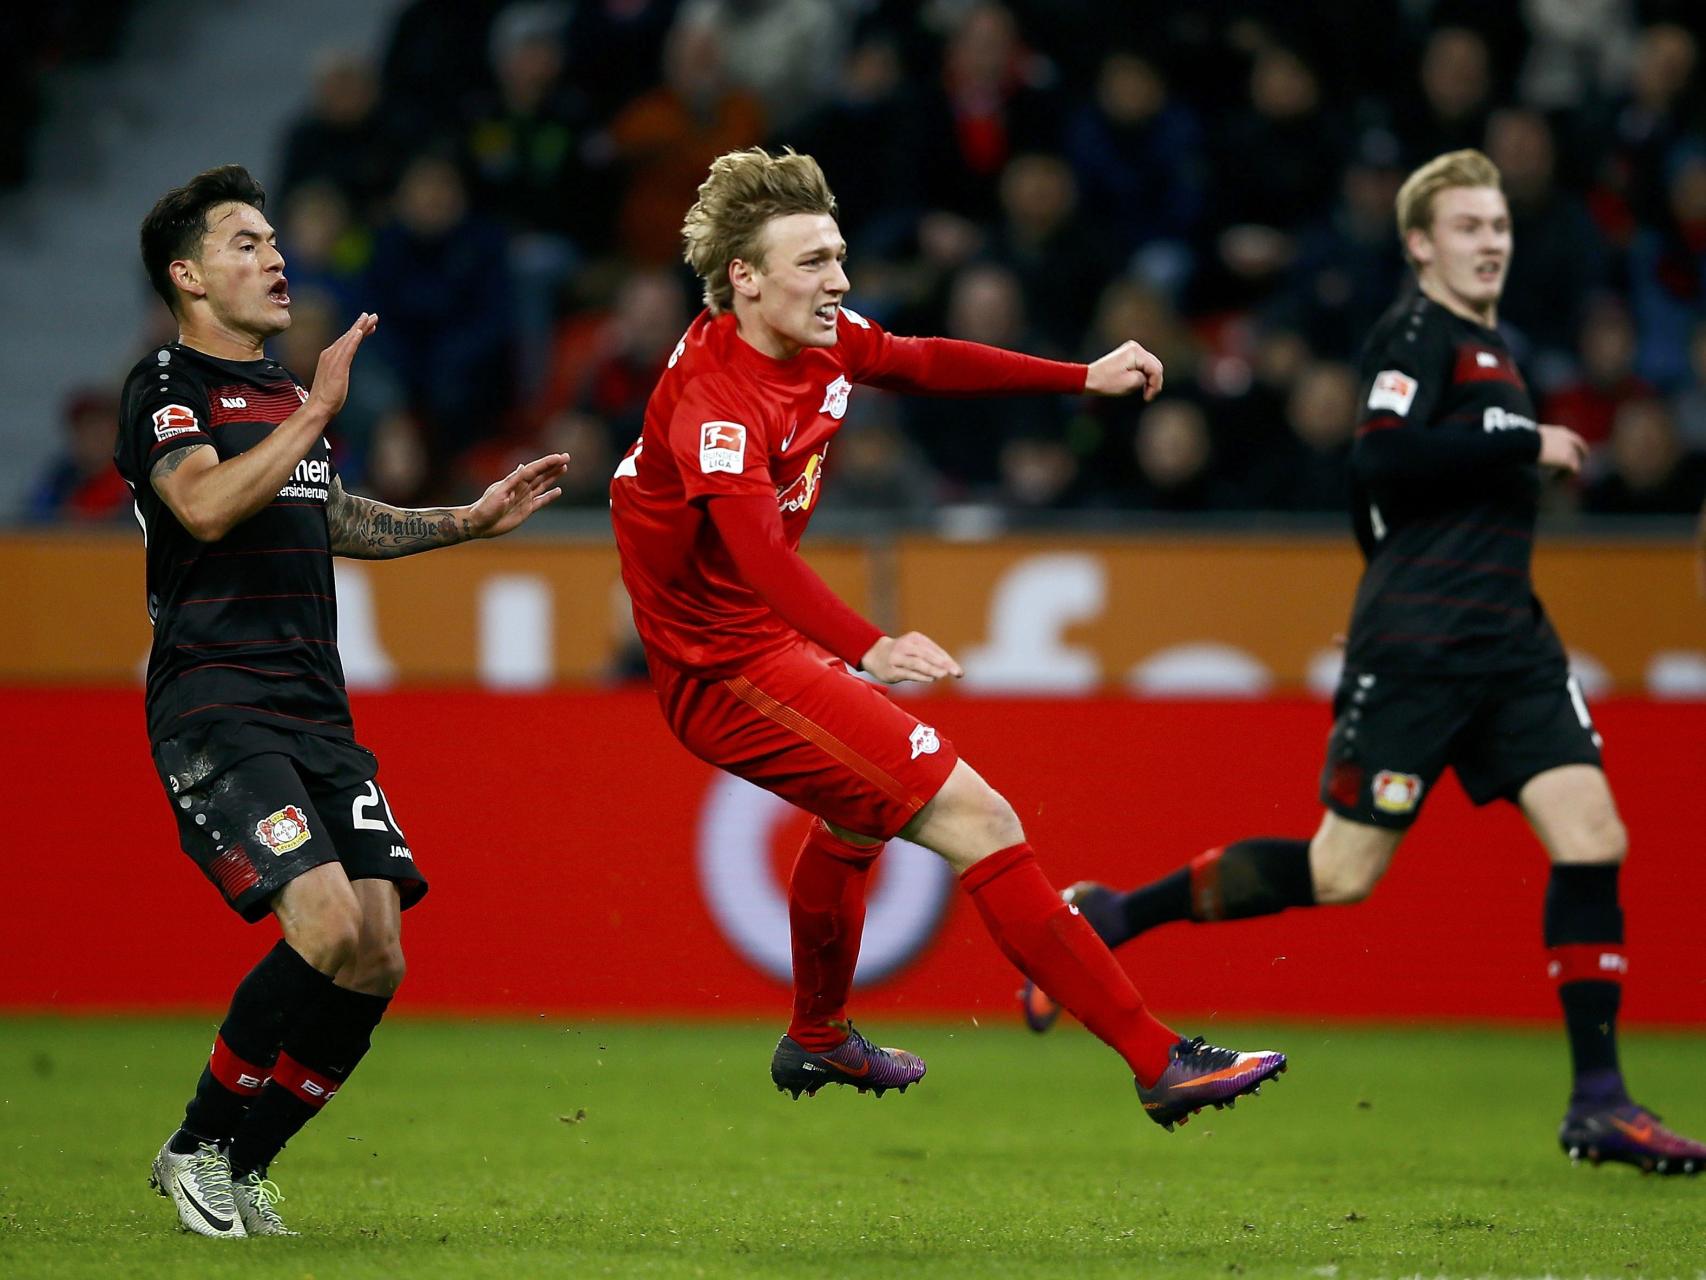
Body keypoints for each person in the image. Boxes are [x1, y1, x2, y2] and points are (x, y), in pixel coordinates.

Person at [1019, 149, 1706, 1178]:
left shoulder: (1494, 346)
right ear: (1419, 244)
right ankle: (1112, 914)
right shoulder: (1415, 335)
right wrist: (1517, 444)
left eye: (1498, 226)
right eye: (1467, 227)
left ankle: (1598, 1100)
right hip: (1425, 646)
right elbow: (1378, 455)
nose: (1490, 242)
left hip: (1510, 641)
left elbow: (1388, 493)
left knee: (1591, 831)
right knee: (1342, 871)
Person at [609, 147, 1287, 1132]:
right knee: (979, 817)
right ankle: (1156, 1057)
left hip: (754, 648)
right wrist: (869, 643)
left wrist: (1078, 376)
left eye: (837, 256)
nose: (837, 280)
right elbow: (756, 553)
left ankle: (816, 1030)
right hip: (723, 669)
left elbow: (918, 359)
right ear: (744, 280)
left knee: (856, 821)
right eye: (811, 263)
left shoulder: (817, 338)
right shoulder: (717, 403)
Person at [116, 165, 568, 1238]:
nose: (274, 257)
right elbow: (205, 504)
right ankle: (196, 1144)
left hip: (317, 711)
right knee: (319, 921)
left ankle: (247, 1162)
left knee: (375, 947)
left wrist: (461, 520)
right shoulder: (165, 386)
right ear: (186, 274)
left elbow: (322, 514)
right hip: (215, 703)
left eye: (275, 238)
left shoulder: (279, 397)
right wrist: (318, 407)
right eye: (244, 243)